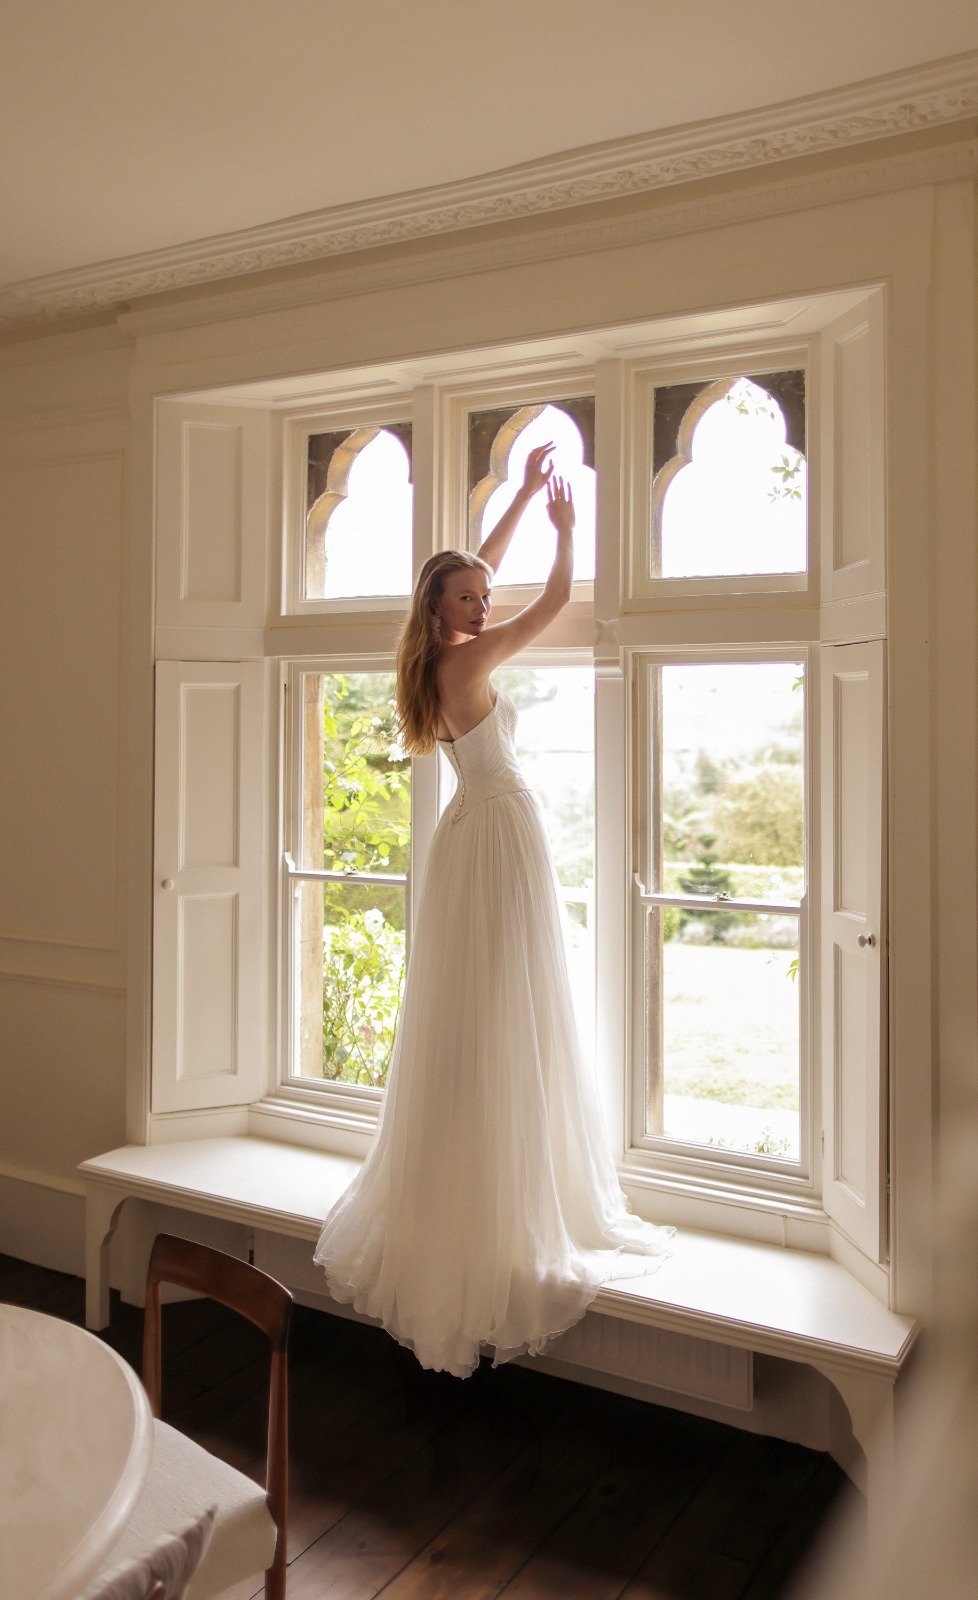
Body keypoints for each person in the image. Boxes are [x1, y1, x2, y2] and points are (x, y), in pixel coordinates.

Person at [315, 443, 672, 1378]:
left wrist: (514, 498)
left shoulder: (432, 655)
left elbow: (476, 568)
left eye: (481, 596)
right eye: (469, 598)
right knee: (509, 1001)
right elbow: (551, 604)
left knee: (484, 1006)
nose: (483, 604)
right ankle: (502, 1203)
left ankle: (483, 1182)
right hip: (500, 833)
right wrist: (566, 531)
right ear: (441, 611)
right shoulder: (467, 660)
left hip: (471, 834)